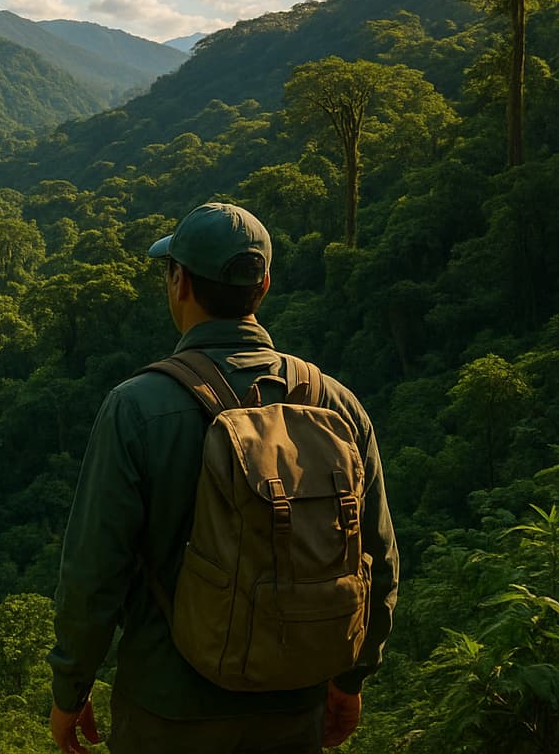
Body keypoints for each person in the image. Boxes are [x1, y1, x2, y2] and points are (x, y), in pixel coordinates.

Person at [47, 202, 398, 754]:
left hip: (168, 709)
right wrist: (351, 680)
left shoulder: (136, 408)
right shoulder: (336, 404)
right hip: (294, 702)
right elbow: (377, 561)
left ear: (179, 281)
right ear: (264, 284)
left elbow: (94, 573)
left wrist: (70, 688)